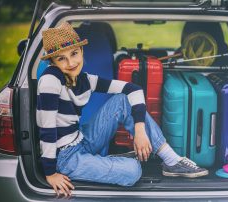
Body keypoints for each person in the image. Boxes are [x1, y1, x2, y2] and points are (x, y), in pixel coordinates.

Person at [37, 22, 208, 197]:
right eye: (61, 58)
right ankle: (104, 162)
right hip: (66, 158)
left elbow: (133, 89)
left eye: (74, 53)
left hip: (81, 139)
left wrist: (140, 130)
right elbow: (47, 128)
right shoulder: (50, 79)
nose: (71, 62)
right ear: (52, 62)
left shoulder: (85, 79)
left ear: (81, 51)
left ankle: (171, 160)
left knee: (122, 100)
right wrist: (50, 173)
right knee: (133, 171)